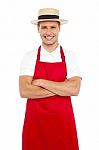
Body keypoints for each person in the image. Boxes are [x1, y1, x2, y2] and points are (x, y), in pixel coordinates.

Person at [19, 8, 82, 150]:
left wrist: (41, 82)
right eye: (44, 27)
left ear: (59, 28)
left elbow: (75, 89)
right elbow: (24, 91)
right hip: (35, 124)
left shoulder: (71, 56)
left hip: (63, 123)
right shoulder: (29, 57)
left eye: (53, 27)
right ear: (38, 29)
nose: (49, 32)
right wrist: (62, 88)